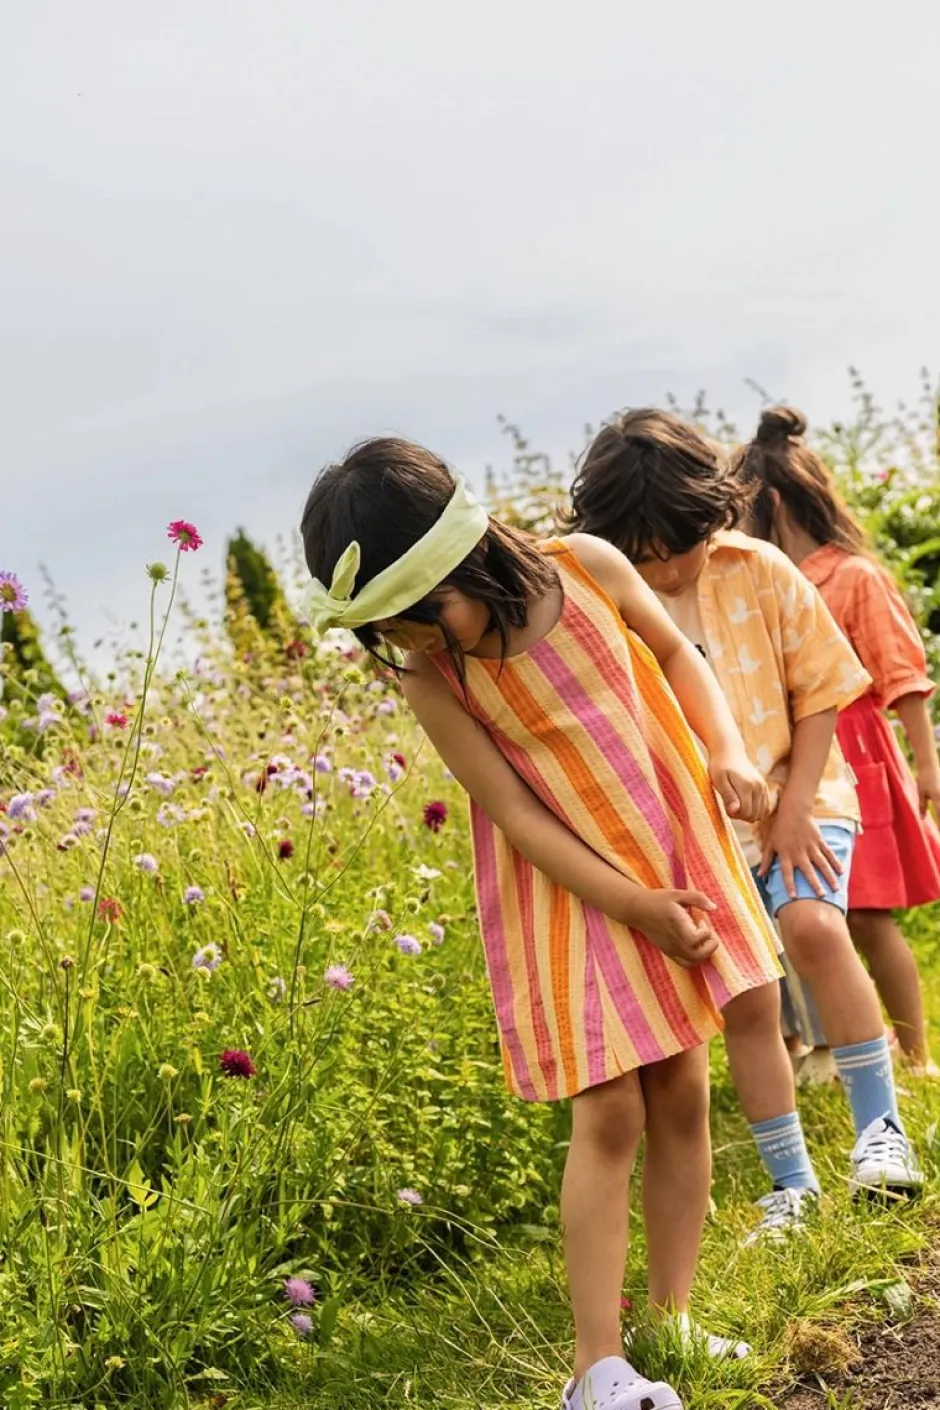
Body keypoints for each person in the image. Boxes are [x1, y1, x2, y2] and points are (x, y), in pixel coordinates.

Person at [301, 438, 783, 1410]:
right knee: (609, 1109)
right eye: (394, 632)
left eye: (423, 617)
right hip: (577, 894)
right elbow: (516, 817)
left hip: (668, 852)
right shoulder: (435, 679)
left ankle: (672, 1318)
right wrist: (632, 906)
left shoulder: (590, 568)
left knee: (684, 1089)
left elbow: (679, 662)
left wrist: (726, 749)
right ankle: (595, 1365)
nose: (419, 641)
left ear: (465, 563)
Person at [566, 408, 924, 1235]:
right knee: (751, 1000)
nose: (661, 576)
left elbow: (823, 692)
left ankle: (881, 1129)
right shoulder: (608, 601)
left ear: (710, 513)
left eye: (673, 554)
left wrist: (796, 810)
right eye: (641, 561)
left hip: (802, 795)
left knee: (814, 928)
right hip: (700, 835)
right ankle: (790, 1183)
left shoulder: (759, 568)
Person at [734, 405, 940, 1076]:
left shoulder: (854, 576)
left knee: (870, 918)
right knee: (825, 914)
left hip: (863, 758)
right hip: (805, 762)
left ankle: (915, 1058)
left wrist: (926, 767)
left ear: (767, 501)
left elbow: (903, 677)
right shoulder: (763, 585)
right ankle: (864, 1044)